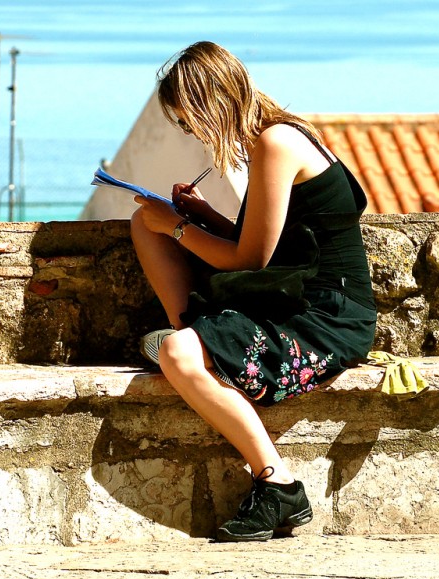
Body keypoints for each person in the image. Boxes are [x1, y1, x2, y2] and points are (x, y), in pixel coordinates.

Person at [130, 41, 377, 542]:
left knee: (177, 352)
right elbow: (269, 244)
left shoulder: (277, 143)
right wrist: (201, 217)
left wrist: (178, 229)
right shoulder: (281, 136)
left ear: (210, 106)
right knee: (143, 223)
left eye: (188, 121)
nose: (191, 134)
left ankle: (278, 484)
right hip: (291, 296)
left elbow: (249, 260)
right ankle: (200, 340)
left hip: (326, 317)